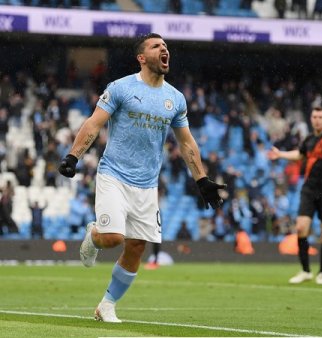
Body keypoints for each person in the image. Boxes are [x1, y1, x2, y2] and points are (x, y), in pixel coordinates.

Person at [57, 33, 226, 323]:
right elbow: (95, 123)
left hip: (147, 184)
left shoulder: (175, 98)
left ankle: (107, 305)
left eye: (166, 46)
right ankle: (94, 235)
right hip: (114, 174)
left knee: (136, 248)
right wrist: (73, 156)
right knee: (112, 238)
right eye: (157, 46)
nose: (164, 49)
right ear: (141, 57)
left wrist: (202, 180)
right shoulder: (121, 88)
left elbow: (186, 143)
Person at [268, 107, 322, 285]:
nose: (317, 120)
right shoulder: (309, 139)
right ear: (311, 119)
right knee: (301, 227)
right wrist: (280, 154)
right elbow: (300, 155)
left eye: (321, 117)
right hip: (309, 189)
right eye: (314, 117)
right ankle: (305, 270)